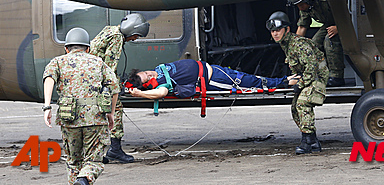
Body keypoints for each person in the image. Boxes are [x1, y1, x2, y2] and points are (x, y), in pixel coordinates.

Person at [43, 28, 120, 185]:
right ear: (88, 48)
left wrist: (47, 107)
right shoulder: (98, 62)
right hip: (95, 118)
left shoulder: (58, 61)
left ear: (66, 48)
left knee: (73, 161)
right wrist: (111, 114)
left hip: (68, 118)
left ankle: (77, 181)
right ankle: (84, 179)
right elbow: (114, 87)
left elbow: (49, 79)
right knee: (94, 160)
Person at [266, 11, 329, 154]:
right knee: (295, 108)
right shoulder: (285, 44)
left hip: (317, 78)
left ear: (287, 29)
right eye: (272, 31)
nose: (275, 33)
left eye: (278, 30)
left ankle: (306, 142)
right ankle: (313, 141)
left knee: (302, 103)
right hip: (308, 77)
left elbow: (312, 67)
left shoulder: (298, 44)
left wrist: (299, 85)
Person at [90, 13, 150, 163]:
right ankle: (115, 150)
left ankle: (94, 152)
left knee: (97, 115)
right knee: (115, 110)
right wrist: (116, 88)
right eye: (135, 36)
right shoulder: (117, 39)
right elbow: (109, 67)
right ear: (130, 31)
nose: (134, 39)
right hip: (98, 80)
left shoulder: (110, 30)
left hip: (92, 77)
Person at [126, 58, 299, 99]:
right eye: (146, 78)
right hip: (213, 79)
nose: (150, 74)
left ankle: (286, 80)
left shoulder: (158, 70)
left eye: (146, 72)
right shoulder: (160, 84)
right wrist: (139, 94)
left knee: (250, 77)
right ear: (147, 84)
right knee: (251, 82)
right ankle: (286, 82)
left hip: (213, 69)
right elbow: (161, 93)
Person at [288, 0, 346, 87]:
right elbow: (302, 26)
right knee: (313, 45)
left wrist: (338, 27)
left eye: (301, 5)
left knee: (329, 40)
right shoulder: (305, 6)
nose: (300, 8)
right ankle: (318, 75)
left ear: (309, 0)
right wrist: (295, 47)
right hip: (329, 24)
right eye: (298, 6)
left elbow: (347, 12)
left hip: (345, 23)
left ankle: (337, 77)